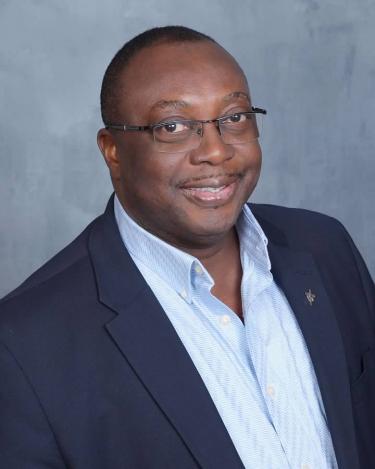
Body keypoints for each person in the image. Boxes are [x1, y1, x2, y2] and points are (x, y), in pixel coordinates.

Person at [0, 26, 374, 469]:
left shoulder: (325, 247)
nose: (216, 151)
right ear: (112, 151)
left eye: (235, 117)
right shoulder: (24, 345)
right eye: (173, 127)